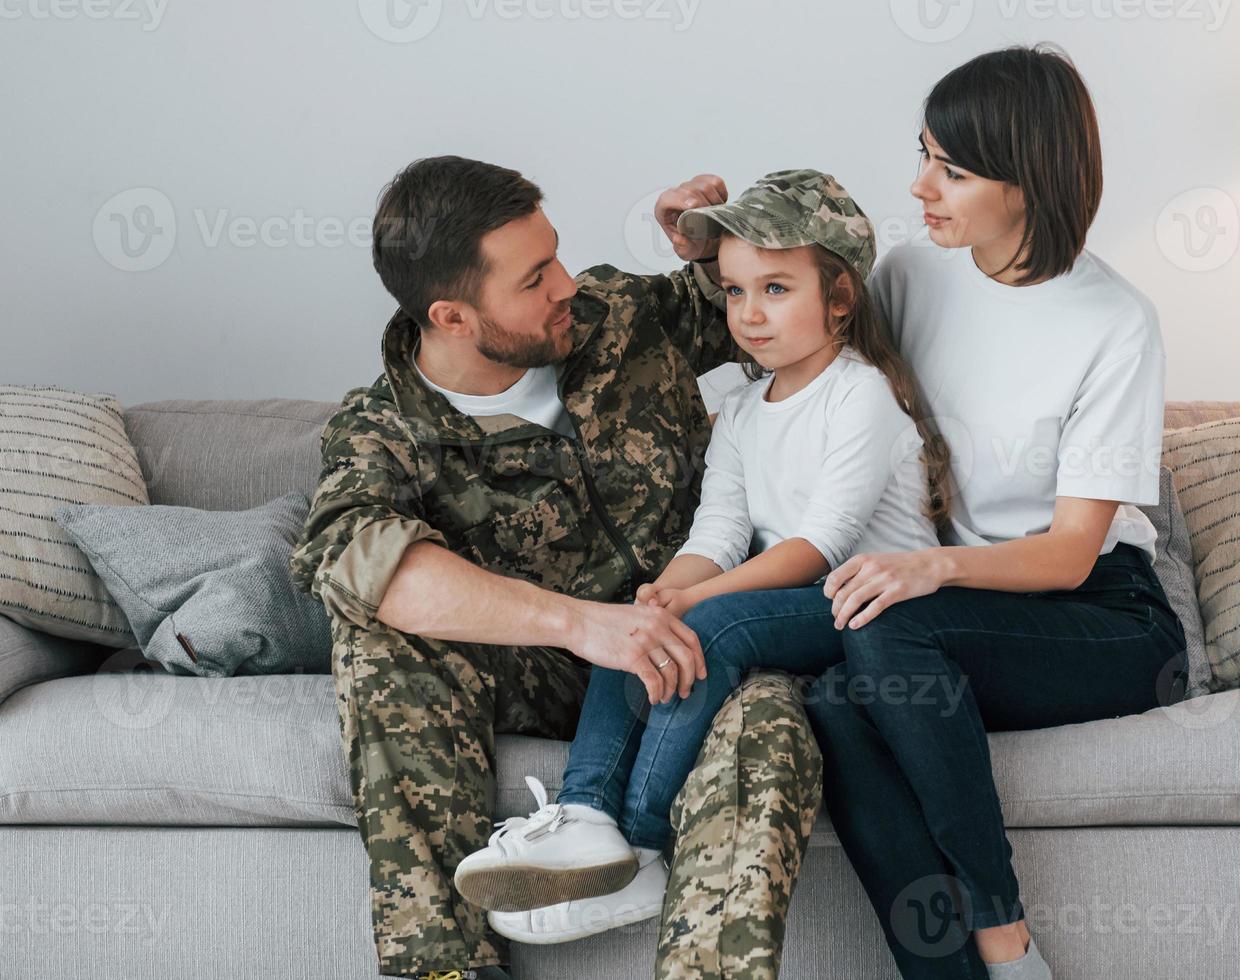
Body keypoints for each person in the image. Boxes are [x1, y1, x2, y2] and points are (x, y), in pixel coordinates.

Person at [287, 155, 822, 980]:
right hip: (542, 670)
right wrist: (584, 624)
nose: (568, 283)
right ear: (453, 316)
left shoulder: (615, 315)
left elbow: (801, 299)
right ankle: (446, 969)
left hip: (702, 642)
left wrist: (716, 246)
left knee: (772, 718)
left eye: (558, 255)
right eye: (535, 279)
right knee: (377, 642)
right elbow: (359, 559)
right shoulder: (381, 429)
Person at [449, 170, 954, 947]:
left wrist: (694, 606)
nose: (749, 316)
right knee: (634, 620)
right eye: (734, 292)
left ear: (840, 299)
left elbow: (815, 546)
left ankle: (646, 848)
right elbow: (715, 536)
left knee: (713, 630)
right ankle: (585, 815)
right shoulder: (747, 411)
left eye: (777, 289)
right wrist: (662, 595)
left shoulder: (863, 396)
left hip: (875, 607)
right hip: (800, 604)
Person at [799, 45, 1189, 980]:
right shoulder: (906, 278)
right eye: (925, 154)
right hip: (957, 618)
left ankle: (1004, 937)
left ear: (1030, 185)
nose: (921, 186)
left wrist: (928, 566)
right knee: (834, 699)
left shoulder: (1114, 322)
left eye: (954, 170)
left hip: (1103, 617)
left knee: (887, 632)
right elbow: (785, 348)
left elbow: (1066, 554)